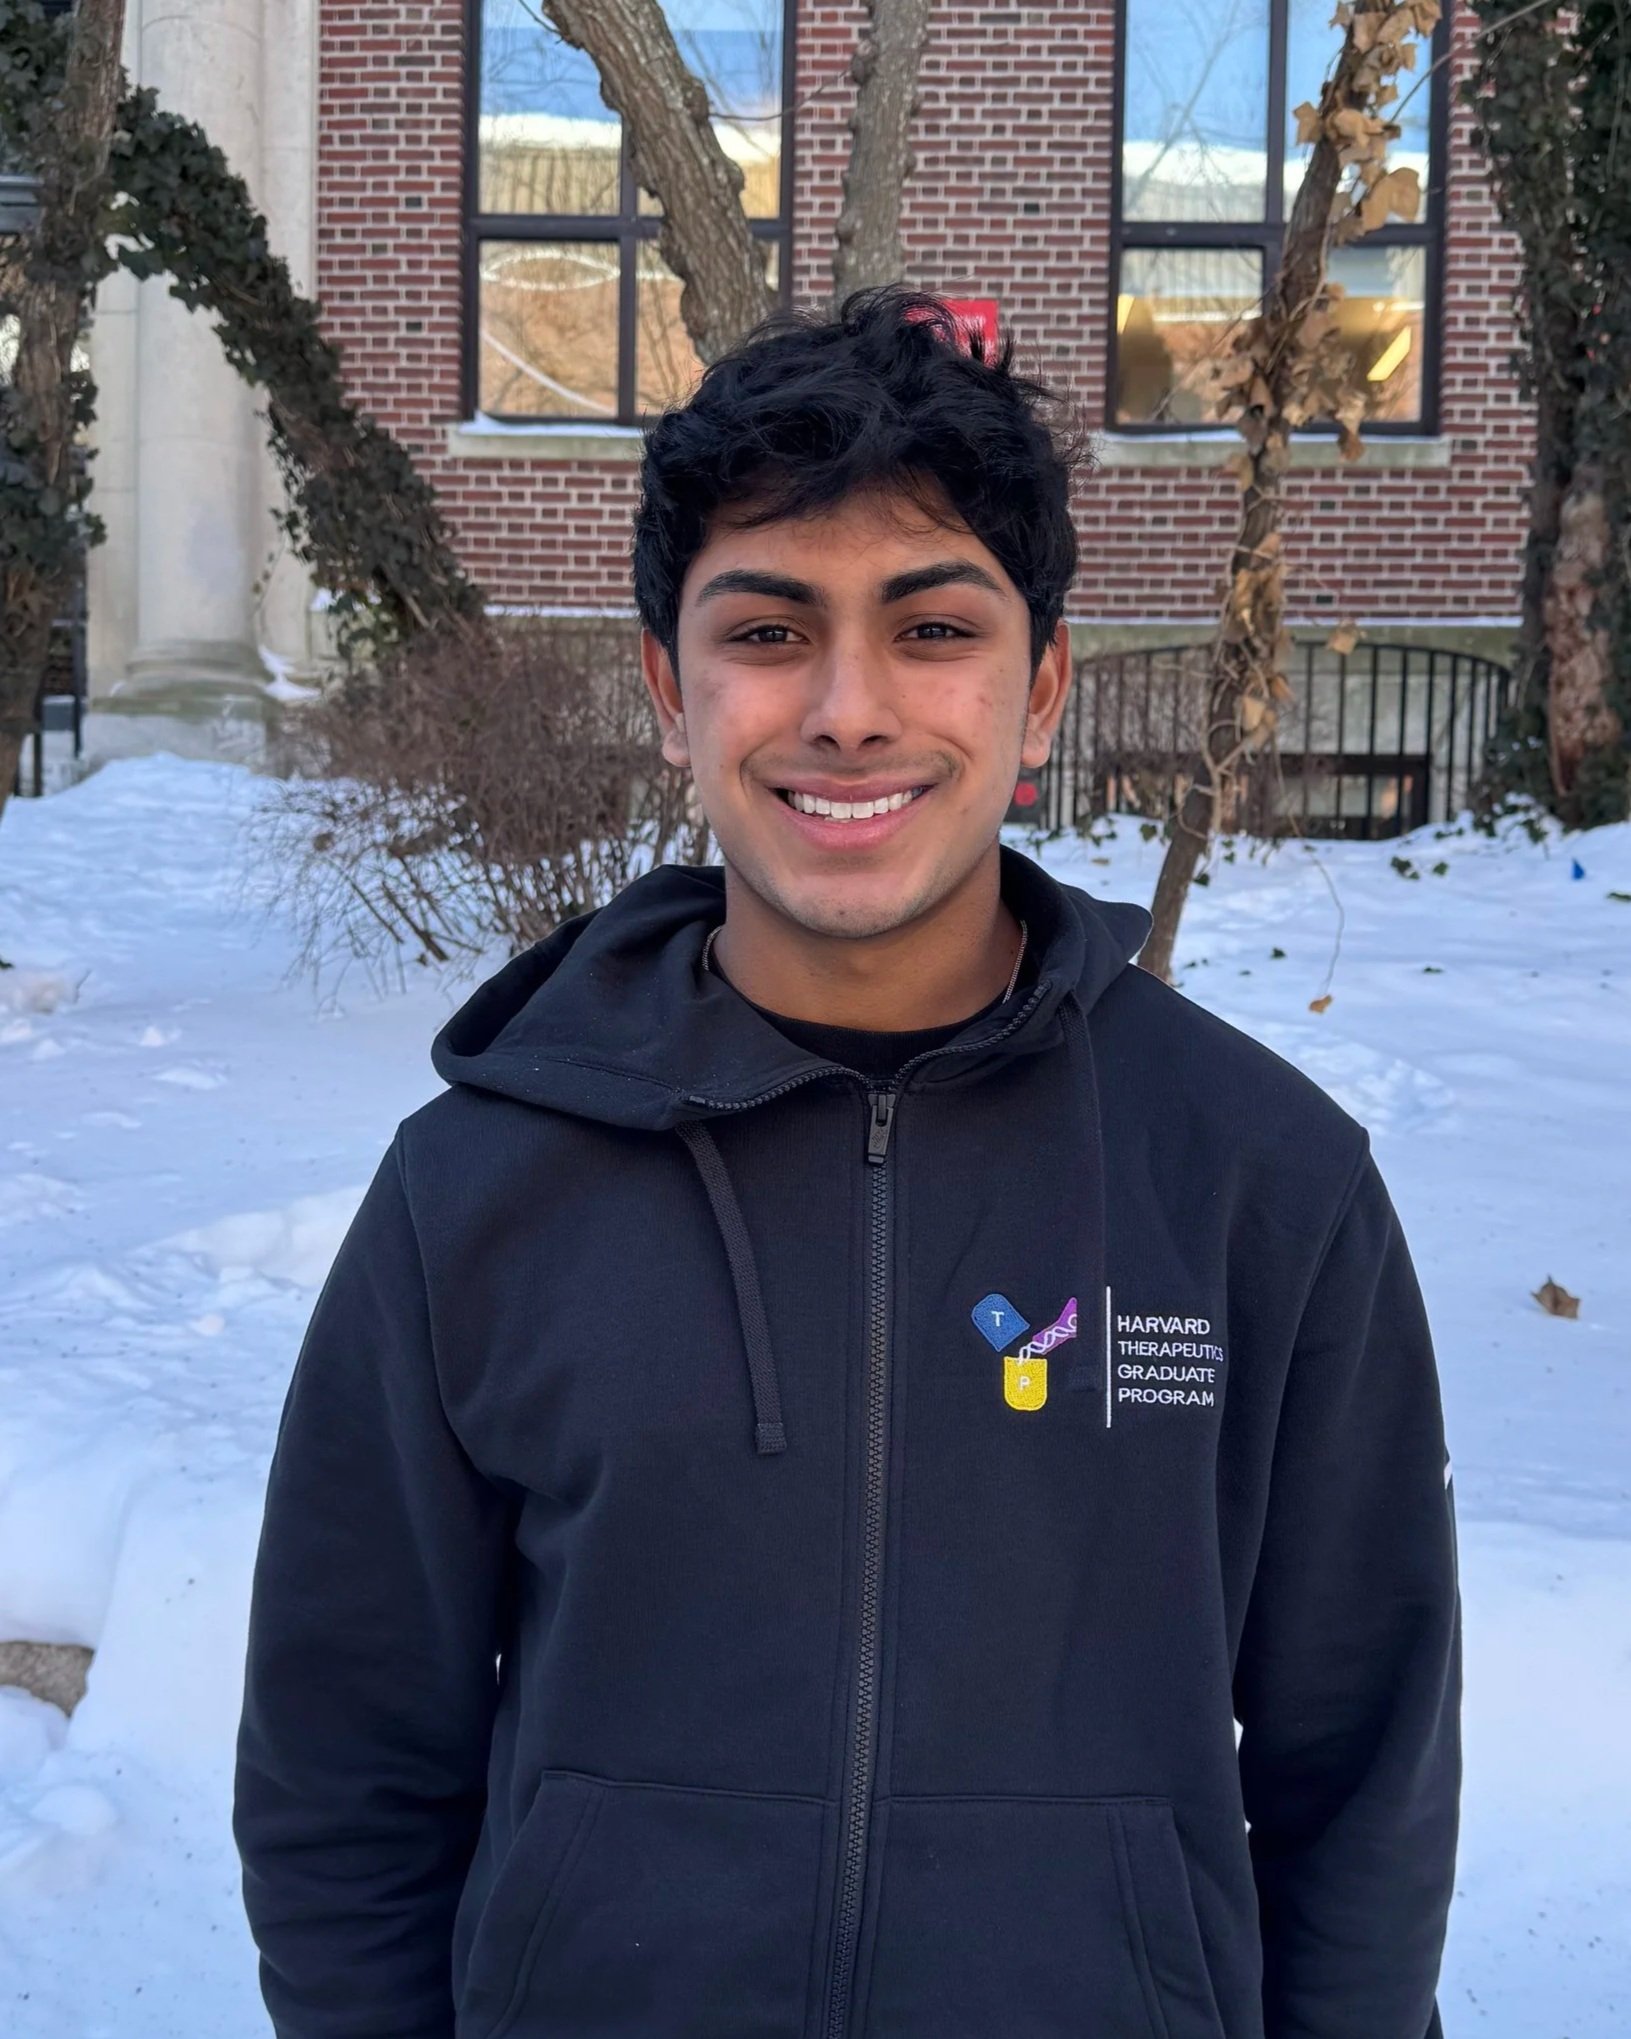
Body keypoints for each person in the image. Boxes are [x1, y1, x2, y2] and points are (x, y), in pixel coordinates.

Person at [232, 285, 1461, 2039]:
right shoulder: (480, 1190)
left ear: (1041, 692)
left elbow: (1366, 1785)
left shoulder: (1262, 1185)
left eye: (933, 626)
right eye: (769, 628)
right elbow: (343, 1767)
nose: (848, 710)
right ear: (671, 691)